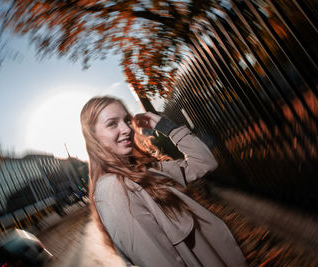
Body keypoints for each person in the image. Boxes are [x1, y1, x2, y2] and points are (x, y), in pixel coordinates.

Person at [80, 96, 246, 267]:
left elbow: (204, 163)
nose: (126, 129)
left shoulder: (145, 169)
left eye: (127, 120)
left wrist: (167, 127)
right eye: (112, 124)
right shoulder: (112, 189)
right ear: (93, 137)